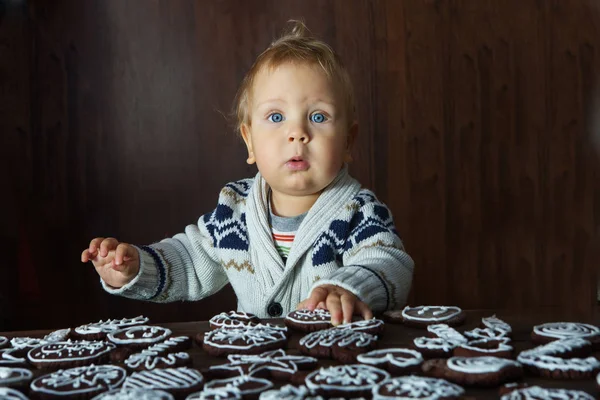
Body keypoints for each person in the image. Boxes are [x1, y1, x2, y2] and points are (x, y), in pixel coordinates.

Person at [81, 21, 414, 326]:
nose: (296, 133)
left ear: (348, 141)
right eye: (275, 117)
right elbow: (189, 263)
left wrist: (349, 287)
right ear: (249, 141)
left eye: (318, 117)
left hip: (331, 366)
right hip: (256, 364)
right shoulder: (235, 210)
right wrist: (135, 267)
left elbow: (389, 263)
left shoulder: (359, 211)